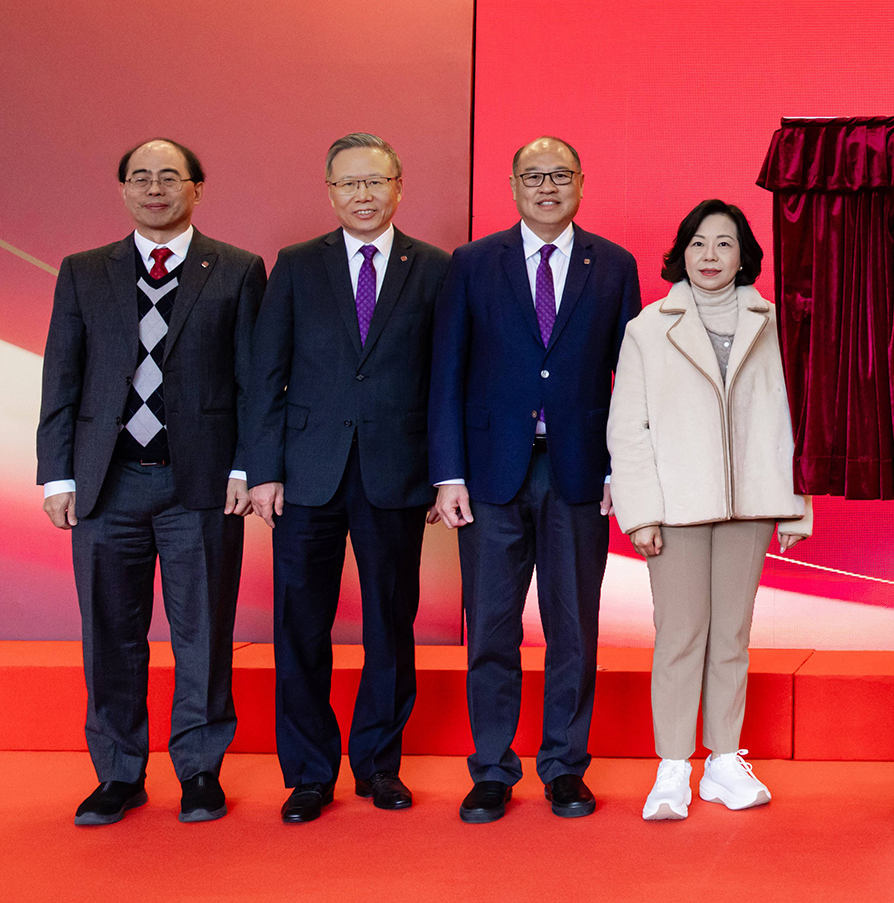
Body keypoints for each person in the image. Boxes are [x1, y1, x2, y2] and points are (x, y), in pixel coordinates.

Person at [36, 139, 265, 826]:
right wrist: (56, 475)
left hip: (200, 485)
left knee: (203, 634)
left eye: (170, 177)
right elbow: (62, 376)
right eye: (141, 178)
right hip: (108, 484)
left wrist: (245, 468)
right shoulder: (83, 271)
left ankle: (199, 772)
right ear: (123, 190)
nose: (155, 188)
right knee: (110, 633)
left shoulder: (237, 269)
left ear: (198, 186)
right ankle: (118, 774)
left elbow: (255, 382)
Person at [428, 136, 639, 823]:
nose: (546, 187)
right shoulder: (472, 263)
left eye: (559, 175)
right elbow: (447, 376)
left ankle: (564, 767)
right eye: (532, 176)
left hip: (577, 471)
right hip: (490, 476)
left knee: (573, 628)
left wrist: (621, 468)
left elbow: (631, 381)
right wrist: (448, 474)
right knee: (491, 626)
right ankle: (491, 768)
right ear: (512, 183)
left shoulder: (612, 264)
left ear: (582, 181)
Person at [244, 133, 450, 822]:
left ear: (399, 186)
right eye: (348, 185)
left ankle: (378, 766)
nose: (363, 196)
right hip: (306, 474)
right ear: (329, 192)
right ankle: (307, 773)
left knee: (390, 624)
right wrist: (264, 469)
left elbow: (447, 382)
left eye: (375, 182)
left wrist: (443, 472)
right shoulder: (298, 265)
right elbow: (265, 375)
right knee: (302, 623)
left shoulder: (435, 269)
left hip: (397, 471)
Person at [609, 200, 811, 820]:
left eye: (724, 245)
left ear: (744, 254)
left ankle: (723, 761)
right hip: (676, 509)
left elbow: (794, 421)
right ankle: (673, 768)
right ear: (682, 252)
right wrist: (639, 511)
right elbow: (630, 427)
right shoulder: (649, 326)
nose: (710, 257)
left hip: (750, 505)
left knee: (731, 638)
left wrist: (795, 507)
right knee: (679, 637)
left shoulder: (777, 324)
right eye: (698, 244)